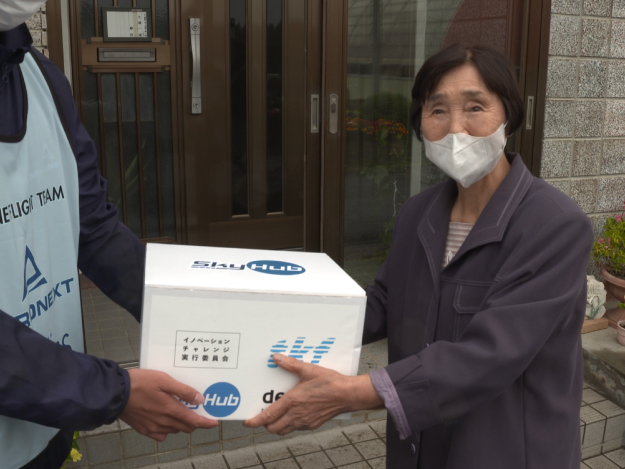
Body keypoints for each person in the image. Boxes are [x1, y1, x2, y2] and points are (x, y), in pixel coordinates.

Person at [245, 44, 594, 469]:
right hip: (420, 445)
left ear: (509, 114)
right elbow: (385, 302)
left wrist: (353, 392)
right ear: (420, 122)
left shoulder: (554, 225)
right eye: (437, 110)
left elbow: (492, 353)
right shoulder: (418, 212)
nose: (456, 129)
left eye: (475, 107)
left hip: (508, 450)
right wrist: (273, 324)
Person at [0, 3, 217, 468]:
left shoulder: (38, 77)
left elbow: (92, 225)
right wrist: (112, 392)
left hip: (44, 426)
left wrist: (195, 317)